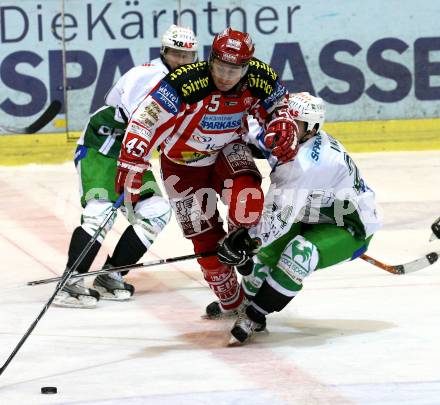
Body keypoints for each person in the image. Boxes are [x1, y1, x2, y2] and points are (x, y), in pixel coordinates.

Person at [115, 27, 299, 316]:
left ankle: (240, 242)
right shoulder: (184, 81)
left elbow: (278, 103)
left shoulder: (261, 77)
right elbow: (145, 119)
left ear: (247, 67)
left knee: (248, 196)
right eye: (220, 67)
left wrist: (281, 119)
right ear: (210, 59)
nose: (226, 76)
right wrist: (131, 162)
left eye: (234, 70)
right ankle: (232, 302)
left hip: (227, 150)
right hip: (181, 165)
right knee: (205, 244)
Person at [217, 92, 382, 343]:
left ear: (312, 129)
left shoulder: (305, 165)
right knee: (268, 250)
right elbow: (246, 128)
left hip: (349, 224)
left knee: (298, 254)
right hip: (313, 211)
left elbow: (276, 221)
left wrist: (244, 241)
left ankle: (255, 314)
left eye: (296, 124)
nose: (285, 128)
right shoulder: (280, 131)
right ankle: (246, 298)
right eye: (282, 118)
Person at [54, 25, 198, 308]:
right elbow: (140, 123)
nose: (182, 60)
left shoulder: (189, 81)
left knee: (156, 211)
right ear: (164, 51)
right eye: (176, 53)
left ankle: (112, 275)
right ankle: (70, 282)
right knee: (100, 214)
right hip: (103, 149)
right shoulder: (148, 77)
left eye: (187, 55)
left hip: (134, 153)